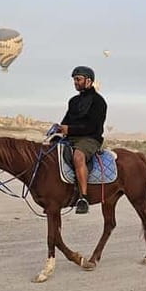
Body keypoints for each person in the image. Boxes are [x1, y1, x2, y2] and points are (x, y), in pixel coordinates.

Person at [44, 65, 107, 214]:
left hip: (90, 139)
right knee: (48, 151)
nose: (75, 82)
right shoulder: (73, 101)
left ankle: (83, 197)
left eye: (78, 79)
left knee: (78, 157)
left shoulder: (99, 102)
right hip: (71, 138)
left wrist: (69, 129)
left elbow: (92, 127)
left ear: (89, 81)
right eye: (74, 80)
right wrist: (59, 129)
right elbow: (66, 121)